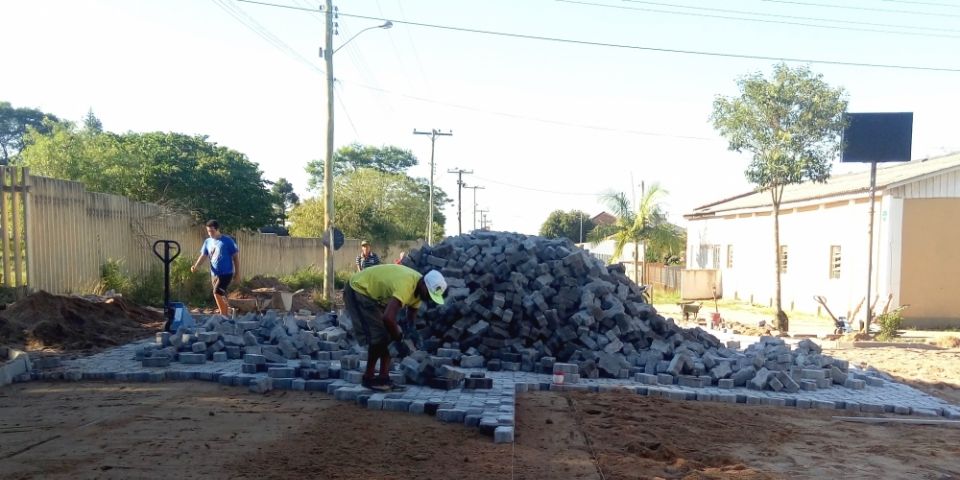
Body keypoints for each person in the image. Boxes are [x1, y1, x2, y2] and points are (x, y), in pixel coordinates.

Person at [343, 264, 447, 391]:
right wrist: (399, 340)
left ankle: (383, 378)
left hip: (376, 296)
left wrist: (411, 334)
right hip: (359, 288)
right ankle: (368, 377)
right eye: (429, 294)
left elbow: (410, 317)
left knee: (389, 334)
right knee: (380, 335)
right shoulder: (406, 285)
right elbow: (388, 318)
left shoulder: (420, 291)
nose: (429, 298)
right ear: (424, 283)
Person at [190, 220, 240, 316]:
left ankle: (223, 315)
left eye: (212, 231)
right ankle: (228, 313)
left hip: (226, 273)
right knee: (220, 295)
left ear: (217, 230)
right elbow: (203, 255)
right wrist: (196, 266)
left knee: (216, 293)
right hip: (214, 274)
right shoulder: (207, 242)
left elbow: (236, 258)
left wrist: (237, 274)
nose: (210, 233)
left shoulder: (228, 241)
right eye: (208, 231)